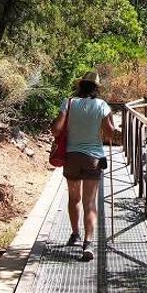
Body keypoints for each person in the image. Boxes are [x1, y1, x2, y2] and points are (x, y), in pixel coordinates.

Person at [50, 71, 116, 261]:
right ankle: (88, 243)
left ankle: (75, 234)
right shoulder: (102, 105)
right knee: (90, 202)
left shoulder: (69, 103)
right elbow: (110, 134)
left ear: (81, 85)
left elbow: (56, 129)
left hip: (72, 157)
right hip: (93, 159)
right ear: (96, 88)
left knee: (74, 198)